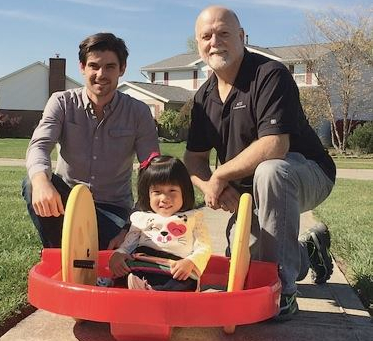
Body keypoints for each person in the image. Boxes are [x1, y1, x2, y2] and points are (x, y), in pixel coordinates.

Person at [184, 6, 336, 318]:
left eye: (224, 33)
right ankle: (309, 250)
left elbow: (274, 146)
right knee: (242, 265)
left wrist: (221, 174)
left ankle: (282, 293)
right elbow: (193, 160)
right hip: (248, 192)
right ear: (199, 44)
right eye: (206, 36)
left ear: (242, 37)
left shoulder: (270, 75)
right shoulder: (203, 98)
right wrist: (213, 187)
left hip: (306, 172)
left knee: (271, 171)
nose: (215, 42)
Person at [22, 33, 159, 250]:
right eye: (94, 66)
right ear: (82, 67)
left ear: (122, 69)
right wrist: (41, 183)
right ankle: (58, 255)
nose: (100, 74)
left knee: (118, 258)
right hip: (67, 205)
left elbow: (152, 172)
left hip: (113, 213)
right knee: (32, 183)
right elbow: (39, 146)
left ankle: (89, 251)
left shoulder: (138, 112)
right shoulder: (62, 103)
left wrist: (130, 228)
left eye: (110, 67)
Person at [109, 153, 212, 291]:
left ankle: (160, 301)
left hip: (176, 271)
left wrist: (190, 262)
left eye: (172, 190)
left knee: (183, 286)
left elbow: (204, 247)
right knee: (123, 278)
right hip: (143, 267)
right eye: (157, 192)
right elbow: (128, 244)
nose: (164, 198)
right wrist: (118, 254)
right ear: (148, 194)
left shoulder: (193, 217)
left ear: (184, 192)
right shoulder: (142, 218)